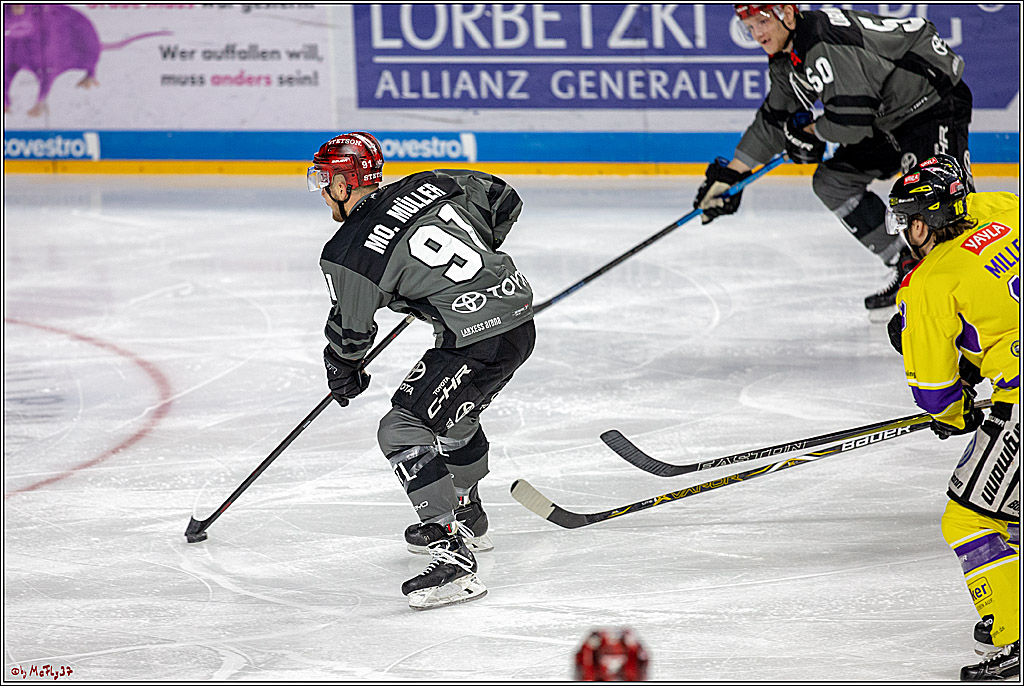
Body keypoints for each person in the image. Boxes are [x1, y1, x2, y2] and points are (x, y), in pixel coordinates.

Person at [307, 132, 536, 609]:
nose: (323, 189)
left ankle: (451, 553)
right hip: (516, 320)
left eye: (327, 179)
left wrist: (343, 369)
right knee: (453, 416)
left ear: (347, 183)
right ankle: (467, 514)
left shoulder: (347, 252)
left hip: (478, 337)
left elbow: (351, 335)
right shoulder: (430, 182)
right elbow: (501, 198)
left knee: (401, 428)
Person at [694, 4, 974, 317]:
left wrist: (812, 131)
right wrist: (732, 175)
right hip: (886, 117)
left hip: (930, 101)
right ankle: (909, 266)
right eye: (748, 27)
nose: (757, 33)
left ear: (787, 13)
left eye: (762, 21)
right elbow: (774, 120)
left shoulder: (820, 42)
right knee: (833, 181)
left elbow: (851, 121)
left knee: (941, 202)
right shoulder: (789, 54)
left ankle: (974, 291)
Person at [885, 154, 1019, 681]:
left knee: (968, 517)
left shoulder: (928, 285)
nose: (906, 232)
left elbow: (936, 396)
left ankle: (1015, 634)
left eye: (910, 219)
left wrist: (958, 411)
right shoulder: (1001, 207)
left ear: (931, 221)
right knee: (1008, 506)